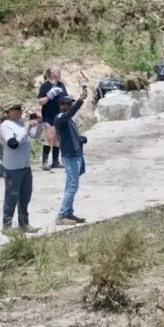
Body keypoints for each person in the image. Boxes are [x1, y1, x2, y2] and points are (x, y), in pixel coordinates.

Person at [0, 103, 42, 234]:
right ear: (9, 112)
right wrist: (27, 126)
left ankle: (24, 223)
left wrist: (39, 124)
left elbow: (35, 135)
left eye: (20, 109)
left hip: (25, 166)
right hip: (12, 168)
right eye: (15, 110)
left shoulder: (21, 123)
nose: (19, 112)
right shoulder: (5, 126)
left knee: (25, 197)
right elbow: (13, 144)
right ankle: (7, 225)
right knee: (11, 197)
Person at [54, 85, 90, 226]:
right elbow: (70, 114)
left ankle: (68, 212)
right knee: (72, 186)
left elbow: (70, 136)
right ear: (61, 106)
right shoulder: (60, 117)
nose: (69, 106)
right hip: (70, 156)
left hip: (76, 155)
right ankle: (62, 215)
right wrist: (80, 101)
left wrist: (80, 139)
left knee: (71, 185)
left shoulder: (68, 120)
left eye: (70, 103)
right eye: (67, 104)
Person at [37, 68, 68, 171]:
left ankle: (55, 161)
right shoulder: (45, 86)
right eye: (58, 72)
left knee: (57, 138)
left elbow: (65, 97)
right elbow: (41, 101)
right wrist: (49, 96)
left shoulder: (61, 85)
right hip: (48, 115)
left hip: (59, 114)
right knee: (50, 137)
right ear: (52, 74)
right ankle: (45, 162)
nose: (60, 74)